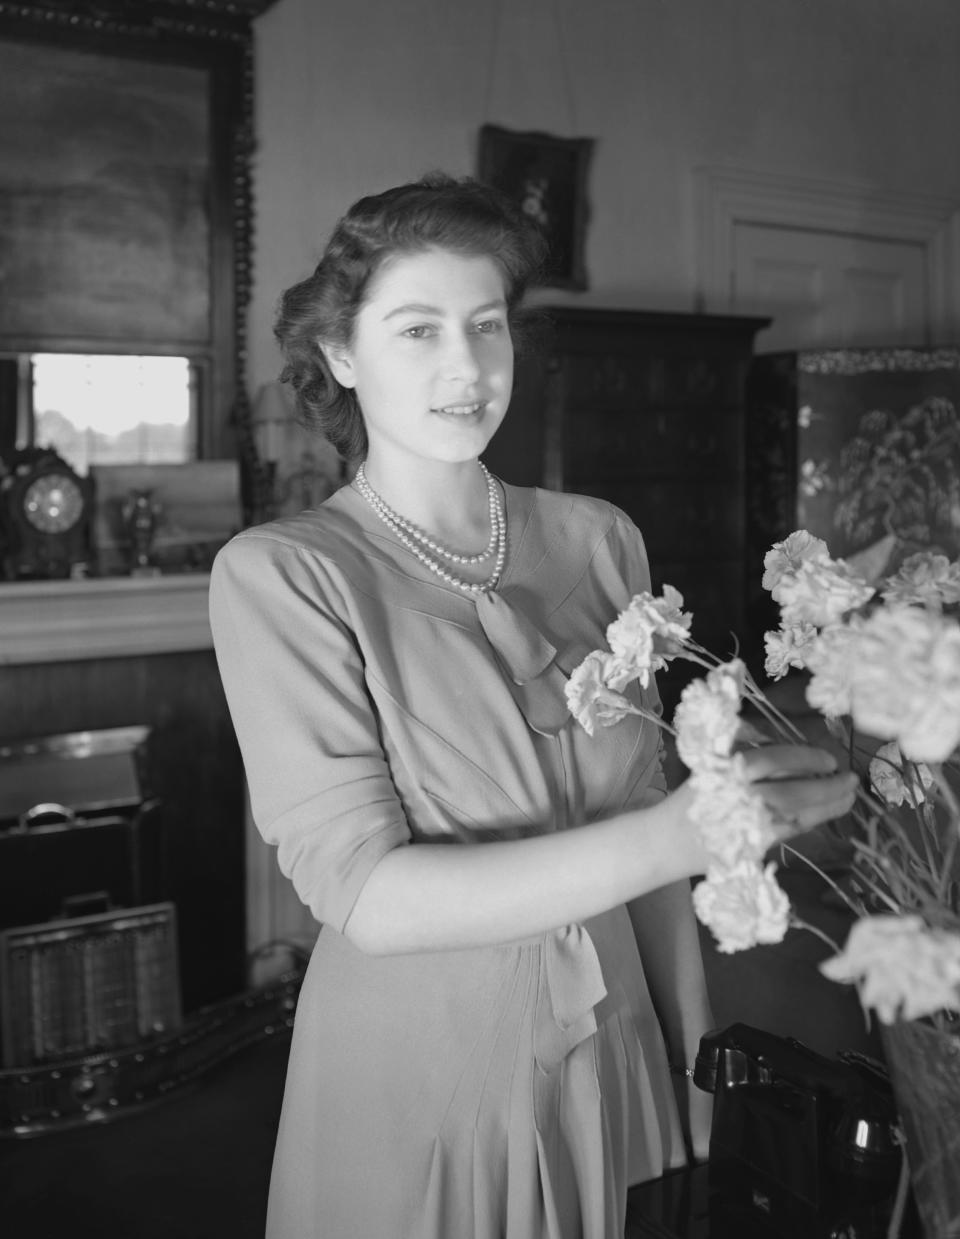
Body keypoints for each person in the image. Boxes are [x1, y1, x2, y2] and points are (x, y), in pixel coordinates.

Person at [208, 173, 858, 1239]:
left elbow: (645, 812)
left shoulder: (601, 539)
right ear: (339, 355)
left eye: (488, 327)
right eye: (416, 330)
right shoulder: (284, 575)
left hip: (620, 1049)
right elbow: (371, 898)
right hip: (426, 1078)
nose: (466, 367)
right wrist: (674, 836)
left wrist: (695, 1069)